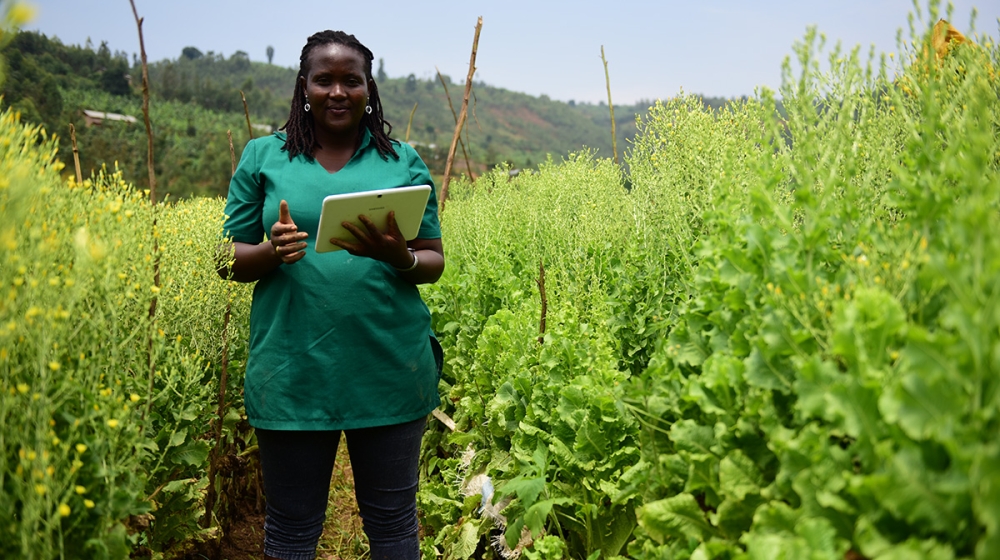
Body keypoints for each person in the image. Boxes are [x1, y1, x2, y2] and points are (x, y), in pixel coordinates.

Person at [218, 29, 444, 560]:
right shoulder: (263, 157)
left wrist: (400, 257)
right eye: (324, 80)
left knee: (392, 525)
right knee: (292, 530)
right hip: (292, 369)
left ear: (369, 89)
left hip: (389, 366)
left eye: (352, 80)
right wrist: (273, 252)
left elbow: (432, 259)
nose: (337, 92)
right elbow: (226, 258)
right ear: (304, 86)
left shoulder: (402, 160)